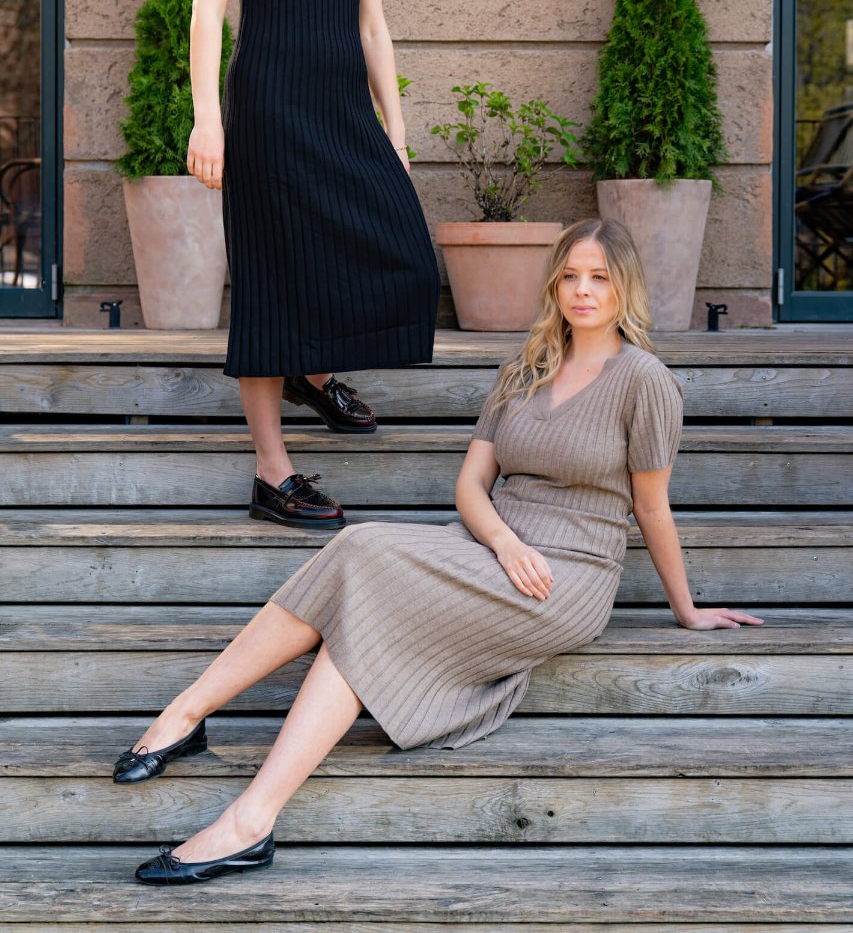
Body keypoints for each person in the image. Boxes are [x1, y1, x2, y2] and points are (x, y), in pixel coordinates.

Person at [114, 217, 764, 885]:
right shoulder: (527, 365)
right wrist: (503, 540)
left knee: (362, 548)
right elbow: (470, 485)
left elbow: (651, 507)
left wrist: (683, 609)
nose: (582, 291)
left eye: (598, 277)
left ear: (624, 286)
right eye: (569, 275)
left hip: (564, 577)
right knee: (362, 603)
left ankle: (194, 730)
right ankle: (242, 808)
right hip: (491, 547)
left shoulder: (645, 380)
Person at [188, 0, 440, 528]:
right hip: (266, 107)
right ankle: (273, 472)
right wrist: (208, 118)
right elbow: (205, 16)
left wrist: (394, 132)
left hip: (341, 111)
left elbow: (373, 28)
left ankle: (313, 370)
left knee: (399, 248)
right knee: (269, 279)